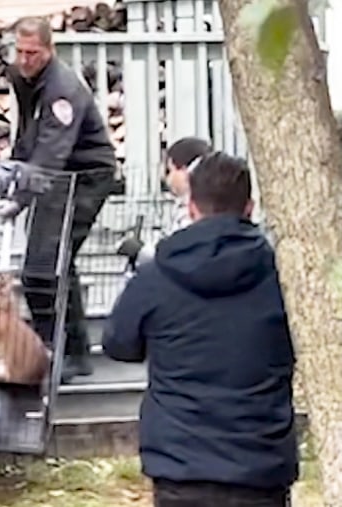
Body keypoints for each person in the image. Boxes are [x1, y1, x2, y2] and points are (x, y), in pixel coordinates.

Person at [102, 152, 298, 507]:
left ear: (191, 207)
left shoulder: (156, 276)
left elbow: (118, 344)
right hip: (260, 464)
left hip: (181, 463)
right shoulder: (285, 277)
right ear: (249, 207)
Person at [0, 16, 119, 383]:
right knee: (52, 265)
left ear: (49, 50)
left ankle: (68, 351)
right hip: (52, 175)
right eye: (20, 52)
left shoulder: (63, 89)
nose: (25, 60)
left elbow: (52, 153)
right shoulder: (21, 76)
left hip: (84, 176)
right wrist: (16, 168)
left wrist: (19, 196)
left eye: (33, 53)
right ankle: (61, 348)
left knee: (45, 266)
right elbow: (28, 129)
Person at [116, 136, 212, 268]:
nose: (167, 179)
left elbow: (179, 252)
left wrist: (141, 252)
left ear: (185, 170)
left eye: (169, 170)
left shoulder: (197, 208)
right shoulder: (199, 203)